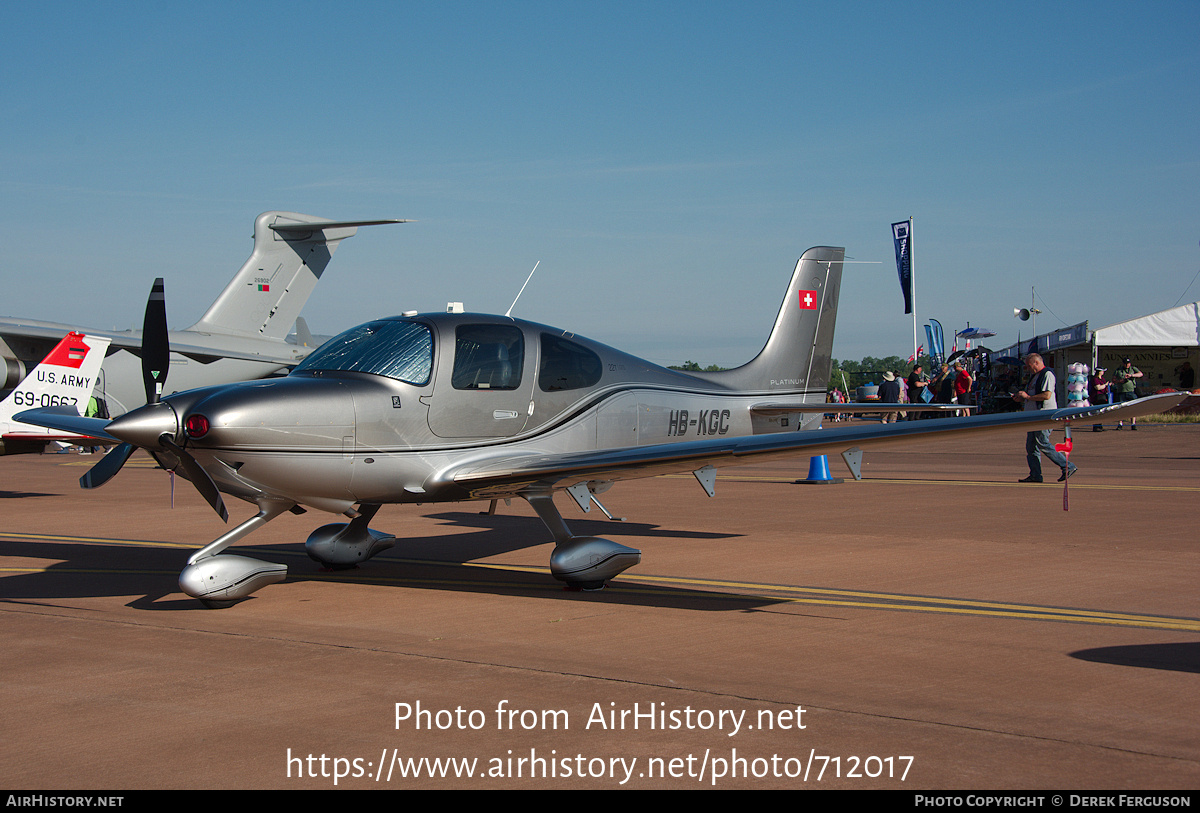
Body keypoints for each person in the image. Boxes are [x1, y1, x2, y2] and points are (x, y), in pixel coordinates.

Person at [1013, 353, 1076, 483]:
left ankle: (1068, 466)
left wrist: (1028, 397)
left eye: (1029, 366)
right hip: (1033, 417)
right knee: (1031, 447)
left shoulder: (1047, 374)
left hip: (1044, 415)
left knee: (1042, 442)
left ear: (1036, 363)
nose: (1028, 369)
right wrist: (1022, 397)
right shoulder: (1034, 376)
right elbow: (1032, 394)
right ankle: (1035, 474)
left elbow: (1046, 395)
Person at [1111, 357, 1143, 430]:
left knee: (1132, 407)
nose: (1127, 365)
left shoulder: (1132, 369)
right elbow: (1113, 379)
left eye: (1128, 363)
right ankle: (1120, 424)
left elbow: (1140, 374)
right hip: (1121, 391)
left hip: (1130, 391)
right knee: (1121, 408)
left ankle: (1133, 424)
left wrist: (1131, 375)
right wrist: (1120, 381)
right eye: (1125, 363)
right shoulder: (1118, 370)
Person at [1088, 367, 1110, 431]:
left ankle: (1100, 426)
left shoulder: (1102, 379)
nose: (1103, 372)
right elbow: (1098, 388)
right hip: (1096, 397)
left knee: (1101, 412)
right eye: (1102, 371)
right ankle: (1096, 427)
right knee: (1096, 412)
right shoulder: (1095, 379)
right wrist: (1105, 385)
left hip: (1102, 397)